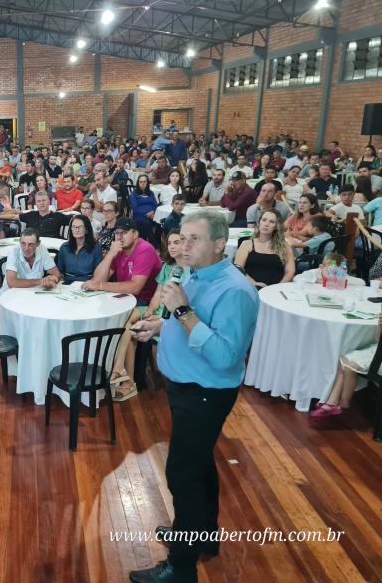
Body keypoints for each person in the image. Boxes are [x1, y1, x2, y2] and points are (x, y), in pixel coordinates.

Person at [129, 211, 259, 583]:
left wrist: (181, 311)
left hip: (204, 393)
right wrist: (159, 325)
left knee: (182, 474)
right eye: (181, 238)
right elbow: (185, 320)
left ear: (219, 244)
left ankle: (181, 568)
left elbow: (223, 355)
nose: (183, 246)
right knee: (199, 466)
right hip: (186, 386)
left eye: (194, 239)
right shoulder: (194, 272)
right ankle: (204, 536)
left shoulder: (235, 291)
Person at [110, 229, 189, 402]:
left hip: (173, 315)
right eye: (169, 243)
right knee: (125, 320)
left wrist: (160, 319)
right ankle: (122, 372)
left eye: (177, 242)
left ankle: (126, 379)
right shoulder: (168, 267)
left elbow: (186, 305)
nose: (172, 247)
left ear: (186, 243)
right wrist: (151, 312)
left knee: (129, 330)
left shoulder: (192, 271)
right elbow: (157, 295)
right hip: (156, 309)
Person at [310, 313, 382, 419]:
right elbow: (377, 339)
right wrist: (380, 325)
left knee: (350, 367)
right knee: (343, 360)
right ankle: (331, 402)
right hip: (378, 349)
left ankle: (344, 403)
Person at [82, 217, 162, 305]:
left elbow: (135, 288)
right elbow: (97, 280)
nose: (120, 237)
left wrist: (100, 285)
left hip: (144, 301)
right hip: (123, 296)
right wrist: (110, 255)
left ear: (135, 234)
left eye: (124, 232)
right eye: (117, 233)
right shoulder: (118, 249)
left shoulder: (144, 250)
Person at [234, 209, 295, 288]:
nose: (266, 224)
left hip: (275, 290)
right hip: (249, 287)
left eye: (271, 222)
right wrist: (253, 283)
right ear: (259, 223)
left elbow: (290, 272)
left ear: (276, 226)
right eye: (264, 220)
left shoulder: (285, 246)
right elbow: (238, 269)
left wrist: (277, 287)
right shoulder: (246, 244)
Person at [0, 228, 62, 293]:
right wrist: (40, 281)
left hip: (33, 293)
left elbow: (57, 274)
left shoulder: (42, 249)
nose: (26, 248)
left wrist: (52, 279)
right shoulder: (13, 252)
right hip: (11, 294)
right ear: (19, 242)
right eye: (23, 244)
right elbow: (11, 283)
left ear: (38, 243)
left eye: (30, 245)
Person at [56, 215, 102, 284]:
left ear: (86, 229)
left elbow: (98, 273)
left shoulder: (96, 248)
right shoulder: (64, 247)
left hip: (87, 284)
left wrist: (91, 284)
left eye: (80, 227)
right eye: (74, 227)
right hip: (67, 284)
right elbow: (60, 271)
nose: (76, 230)